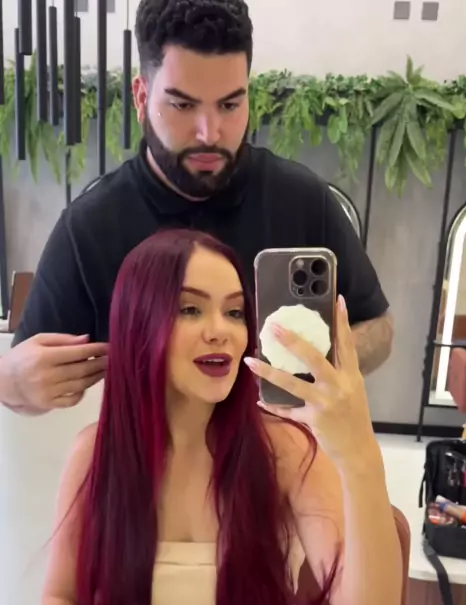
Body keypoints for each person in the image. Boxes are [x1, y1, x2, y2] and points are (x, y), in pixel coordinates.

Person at [39, 228, 402, 605]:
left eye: (235, 312)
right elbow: (58, 601)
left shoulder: (283, 449)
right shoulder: (96, 456)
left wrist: (358, 455)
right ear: (139, 322)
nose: (222, 332)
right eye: (190, 309)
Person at [0, 0, 393, 417]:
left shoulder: (303, 199)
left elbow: (378, 328)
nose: (210, 133)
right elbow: (24, 385)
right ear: (141, 96)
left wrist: (308, 367)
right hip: (146, 456)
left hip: (280, 446)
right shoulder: (90, 227)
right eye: (183, 105)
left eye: (229, 105)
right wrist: (12, 381)